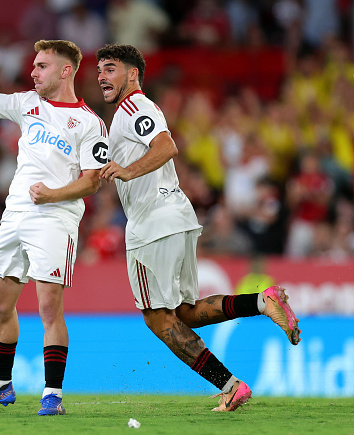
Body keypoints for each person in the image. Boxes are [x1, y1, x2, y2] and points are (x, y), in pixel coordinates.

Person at [96, 43, 301, 412]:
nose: (101, 76)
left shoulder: (133, 107)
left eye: (110, 68)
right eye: (99, 70)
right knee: (185, 312)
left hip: (152, 223)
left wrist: (127, 171)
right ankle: (263, 301)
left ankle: (230, 386)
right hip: (176, 214)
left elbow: (166, 146)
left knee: (159, 319)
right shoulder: (136, 111)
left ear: (133, 74)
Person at [0, 28, 108, 415]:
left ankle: (53, 394)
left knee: (49, 308)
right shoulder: (26, 103)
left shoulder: (89, 123)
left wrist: (53, 194)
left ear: (65, 71)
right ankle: (0, 384)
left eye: (42, 66)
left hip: (55, 217)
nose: (33, 72)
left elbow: (92, 181)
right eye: (33, 66)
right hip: (15, 214)